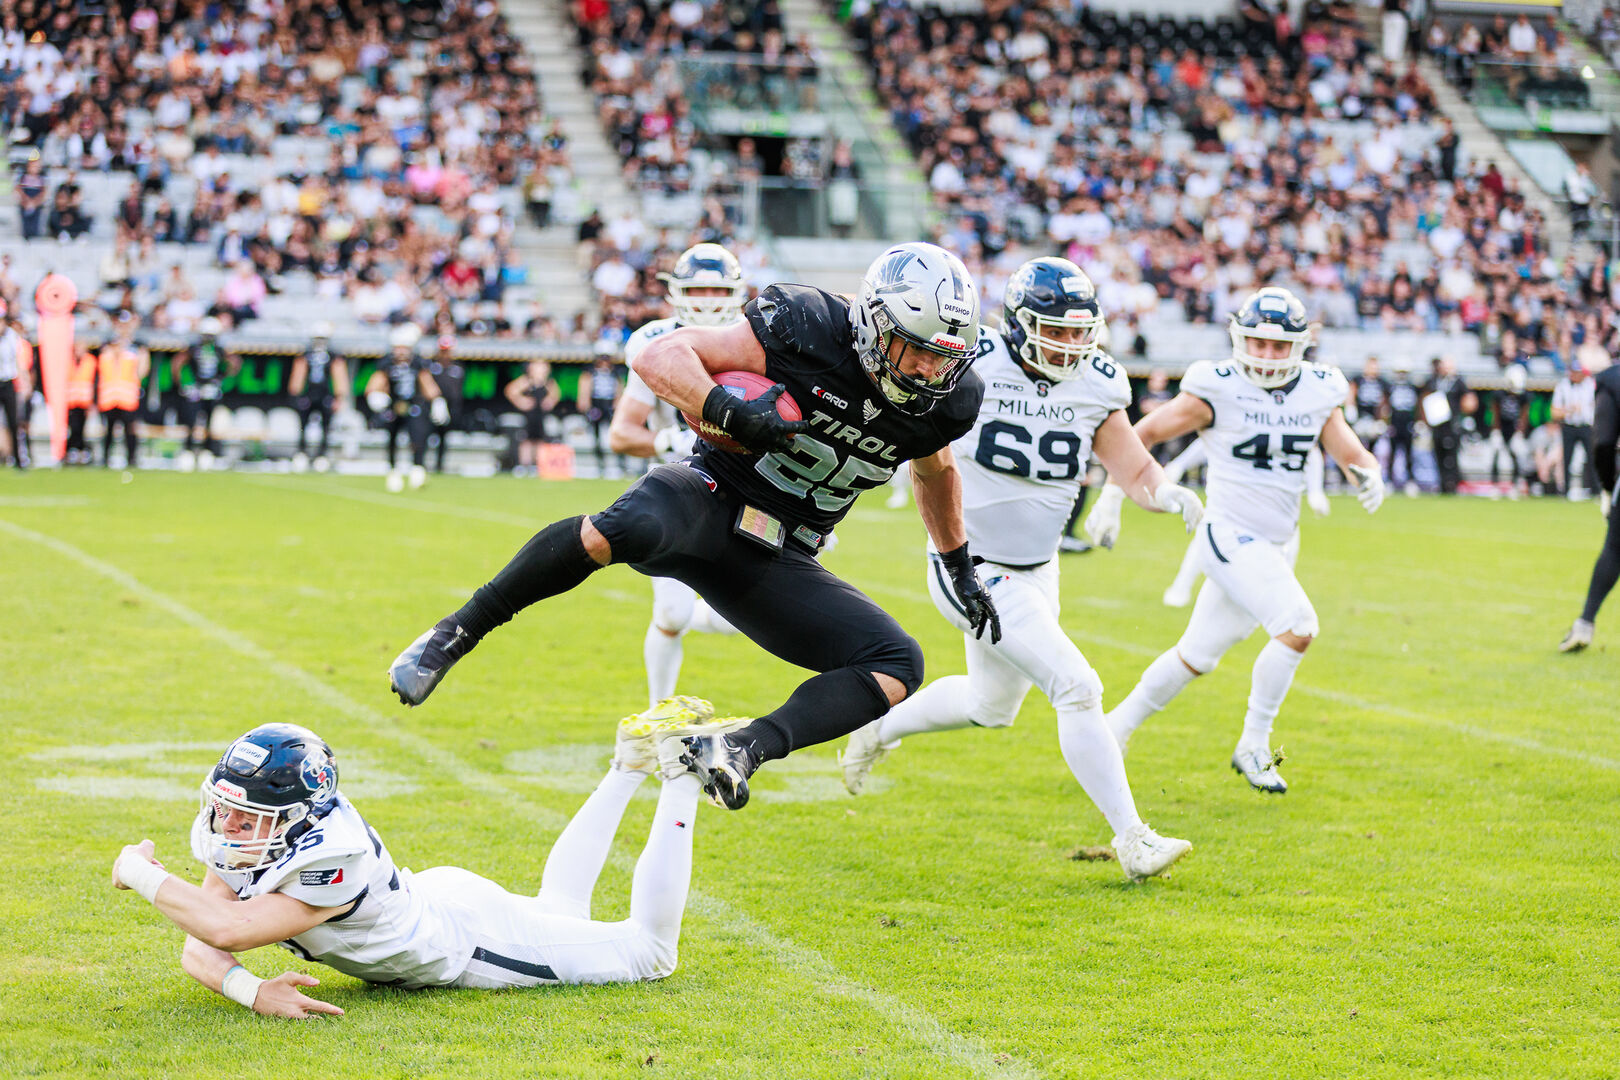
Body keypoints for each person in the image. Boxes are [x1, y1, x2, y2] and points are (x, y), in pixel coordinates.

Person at [389, 242, 1000, 812]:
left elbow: (936, 471)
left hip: (779, 551)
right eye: (915, 348)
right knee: (618, 530)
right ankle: (454, 633)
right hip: (709, 496)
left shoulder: (947, 400)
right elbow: (662, 355)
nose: (926, 369)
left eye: (943, 355)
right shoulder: (809, 325)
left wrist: (957, 565)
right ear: (872, 324)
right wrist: (724, 407)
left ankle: (741, 748)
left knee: (897, 663)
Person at [838, 258, 1203, 881]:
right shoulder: (972, 362)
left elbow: (1134, 468)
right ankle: (1133, 840)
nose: (1068, 344)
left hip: (1039, 567)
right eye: (1054, 330)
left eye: (1077, 331)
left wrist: (1164, 493)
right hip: (970, 565)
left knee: (990, 705)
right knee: (1078, 686)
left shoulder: (1098, 382)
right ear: (1018, 323)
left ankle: (877, 729)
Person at [109, 712, 736, 1015]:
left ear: (300, 814)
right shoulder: (248, 834)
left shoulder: (331, 853)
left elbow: (225, 931)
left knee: (650, 954)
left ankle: (682, 772)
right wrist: (251, 991)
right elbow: (201, 945)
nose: (232, 827)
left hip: (462, 943)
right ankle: (628, 763)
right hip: (435, 901)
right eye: (227, 809)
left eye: (252, 817)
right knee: (557, 912)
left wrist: (141, 872)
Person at [1087, 287, 1385, 792]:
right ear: (1239, 339)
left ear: (1299, 345)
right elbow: (1142, 434)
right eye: (1258, 343)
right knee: (1298, 626)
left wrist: (1368, 473)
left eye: (1278, 345)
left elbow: (1348, 450)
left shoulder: (1317, 389)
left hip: (1278, 542)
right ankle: (1253, 742)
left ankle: (1114, 727)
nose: (1267, 355)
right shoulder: (1217, 386)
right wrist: (1113, 496)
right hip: (1228, 534)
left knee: (1195, 656)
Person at [607, 244, 749, 708]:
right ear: (675, 294)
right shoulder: (655, 341)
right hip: (679, 487)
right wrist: (665, 443)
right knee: (669, 611)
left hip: (747, 490)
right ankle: (657, 714)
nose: (708, 300)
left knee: (754, 615)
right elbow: (622, 433)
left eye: (717, 289)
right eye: (697, 289)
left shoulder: (758, 338)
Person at [1157, 440, 1331, 609]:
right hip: (1236, 500)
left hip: (1280, 505)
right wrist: (1180, 464)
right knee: (1209, 537)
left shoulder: (1294, 420)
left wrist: (1316, 490)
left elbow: (1309, 447)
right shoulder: (1239, 418)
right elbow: (1212, 439)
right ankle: (1182, 586)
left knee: (1284, 549)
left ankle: (1276, 600)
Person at [1560, 359, 1620, 651]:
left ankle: (1584, 624)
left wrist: (1607, 487)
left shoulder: (1612, 379)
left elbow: (1604, 442)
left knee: (1615, 549)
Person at [366, 324, 445, 492]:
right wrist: (375, 395)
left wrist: (437, 401)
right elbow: (376, 382)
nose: (401, 352)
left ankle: (418, 469)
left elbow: (427, 384)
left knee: (418, 438)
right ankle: (393, 471)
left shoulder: (418, 363)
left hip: (414, 406)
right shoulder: (386, 363)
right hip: (394, 406)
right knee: (392, 438)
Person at [173, 316, 239, 471]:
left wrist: (222, 380)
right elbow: (178, 362)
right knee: (191, 421)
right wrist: (184, 383)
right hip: (195, 389)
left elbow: (234, 362)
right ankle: (188, 451)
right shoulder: (194, 348)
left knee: (209, 422)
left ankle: (207, 452)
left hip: (211, 389)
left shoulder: (219, 350)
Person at [289, 321, 348, 473]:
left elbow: (339, 376)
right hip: (308, 394)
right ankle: (302, 452)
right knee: (303, 425)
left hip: (326, 394)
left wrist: (339, 396)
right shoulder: (306, 355)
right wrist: (296, 392)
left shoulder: (333, 356)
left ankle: (322, 455)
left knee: (326, 427)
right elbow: (298, 375)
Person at [98, 312, 149, 469]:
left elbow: (143, 368)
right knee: (109, 428)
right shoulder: (108, 345)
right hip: (110, 395)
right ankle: (105, 458)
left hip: (128, 395)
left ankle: (132, 458)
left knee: (130, 428)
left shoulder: (137, 346)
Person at [504, 358, 562, 474]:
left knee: (540, 440)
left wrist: (549, 401)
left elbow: (556, 394)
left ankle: (536, 464)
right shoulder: (526, 381)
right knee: (526, 440)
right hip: (528, 415)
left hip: (541, 415)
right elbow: (510, 390)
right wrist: (521, 401)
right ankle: (523, 464)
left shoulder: (548, 382)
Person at [580, 341, 626, 478]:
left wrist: (618, 404)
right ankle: (600, 465)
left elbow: (619, 389)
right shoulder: (590, 372)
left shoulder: (616, 373)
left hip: (610, 405)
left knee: (616, 434)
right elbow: (585, 389)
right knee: (596, 436)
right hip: (596, 404)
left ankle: (620, 465)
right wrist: (585, 403)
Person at [1422, 356, 1466, 494]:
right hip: (1437, 424)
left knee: (1451, 456)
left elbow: (1468, 401)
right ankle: (1442, 483)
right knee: (1438, 454)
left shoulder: (1458, 383)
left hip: (1452, 425)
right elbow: (1425, 398)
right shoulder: (1433, 381)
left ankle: (1453, 483)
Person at [1552, 362, 1597, 498]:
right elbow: (1555, 412)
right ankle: (1565, 490)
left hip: (1586, 426)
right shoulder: (1563, 386)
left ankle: (1595, 490)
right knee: (1567, 458)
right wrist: (1569, 410)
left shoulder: (1590, 385)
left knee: (1592, 458)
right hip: (1569, 426)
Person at [0, 301, 31, 468]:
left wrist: (24, 382)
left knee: (14, 421)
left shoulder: (12, 337)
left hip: (8, 382)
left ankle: (19, 459)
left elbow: (19, 362)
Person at [428, 334, 465, 474]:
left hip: (451, 407)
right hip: (434, 404)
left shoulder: (457, 368)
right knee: (428, 434)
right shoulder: (432, 366)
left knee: (444, 437)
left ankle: (439, 465)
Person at [1387, 360, 1421, 494]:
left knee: (1409, 455)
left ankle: (1410, 481)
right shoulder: (1391, 387)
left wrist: (1418, 421)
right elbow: (1385, 406)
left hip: (1408, 424)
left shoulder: (1412, 387)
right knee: (1392, 454)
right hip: (1395, 424)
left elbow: (1418, 405)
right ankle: (1390, 480)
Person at [65, 342, 98, 465]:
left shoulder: (90, 361)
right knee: (73, 426)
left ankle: (80, 449)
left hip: (85, 401)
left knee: (82, 427)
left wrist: (93, 402)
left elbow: (94, 382)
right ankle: (74, 448)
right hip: (71, 400)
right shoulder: (68, 360)